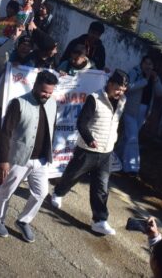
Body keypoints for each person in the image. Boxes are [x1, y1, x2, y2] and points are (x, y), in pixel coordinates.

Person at [50, 70, 129, 235]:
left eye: (123, 90)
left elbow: (118, 124)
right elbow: (82, 123)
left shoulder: (122, 101)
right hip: (87, 150)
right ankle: (58, 193)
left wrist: (115, 140)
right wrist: (89, 139)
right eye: (118, 88)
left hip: (107, 152)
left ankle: (99, 220)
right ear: (110, 83)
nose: (120, 92)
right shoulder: (95, 98)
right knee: (73, 175)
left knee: (101, 187)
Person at [0, 71, 58, 243]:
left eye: (50, 92)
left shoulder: (53, 103)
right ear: (35, 86)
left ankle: (23, 221)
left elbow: (52, 127)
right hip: (18, 159)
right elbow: (6, 133)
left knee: (41, 193)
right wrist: (3, 160)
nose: (47, 96)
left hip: (41, 160)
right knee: (7, 191)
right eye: (44, 92)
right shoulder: (18, 103)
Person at [117, 55, 162, 175]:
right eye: (146, 63)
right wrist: (144, 80)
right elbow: (128, 87)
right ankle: (131, 168)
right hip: (130, 109)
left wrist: (156, 80)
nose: (148, 66)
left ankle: (114, 158)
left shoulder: (153, 77)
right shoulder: (135, 72)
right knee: (133, 137)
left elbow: (161, 93)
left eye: (150, 64)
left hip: (144, 111)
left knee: (128, 137)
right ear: (141, 64)